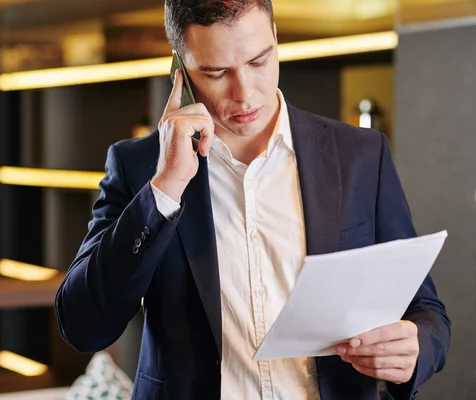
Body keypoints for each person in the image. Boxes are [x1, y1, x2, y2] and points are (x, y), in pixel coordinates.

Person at [55, 1, 450, 398]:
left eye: (259, 61)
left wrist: (414, 348)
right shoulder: (140, 166)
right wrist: (166, 187)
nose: (244, 94)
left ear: (276, 39)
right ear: (180, 69)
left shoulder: (361, 156)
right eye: (216, 72)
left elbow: (425, 309)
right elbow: (85, 325)